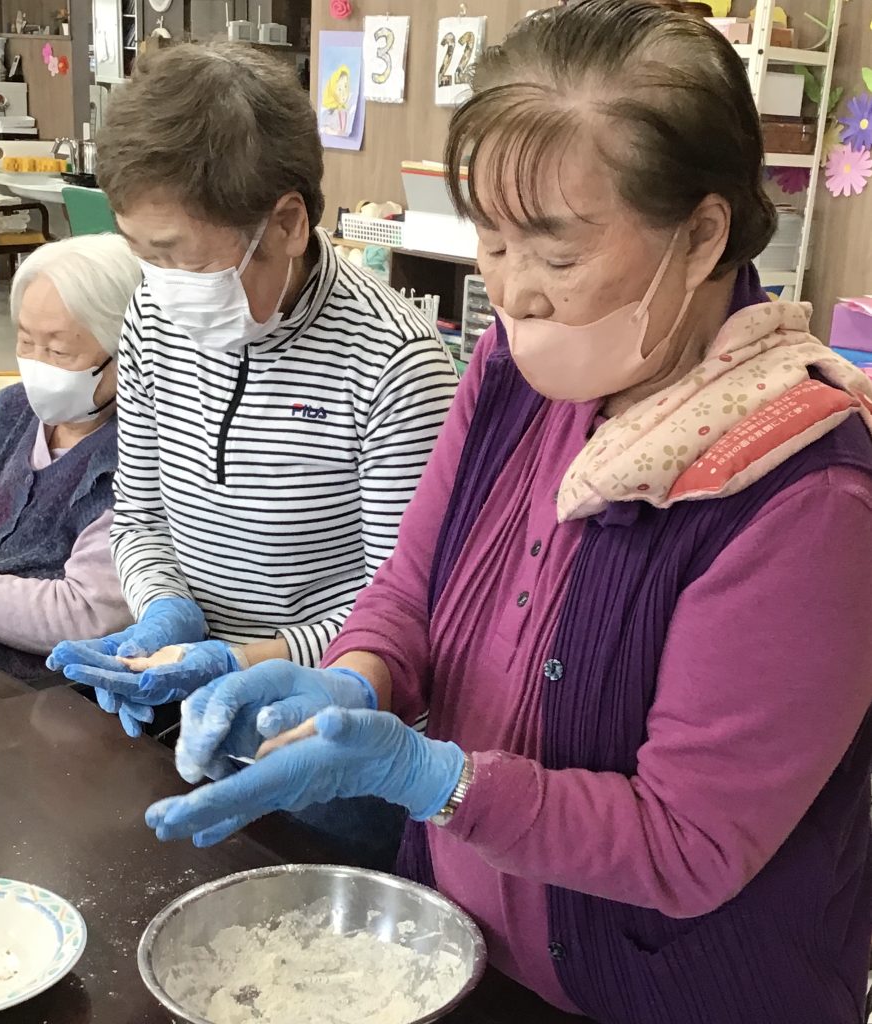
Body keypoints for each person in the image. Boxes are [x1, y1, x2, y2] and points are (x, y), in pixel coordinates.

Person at [144, 4, 872, 1023]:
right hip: (468, 943)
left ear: (703, 233)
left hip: (675, 990)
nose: (515, 293)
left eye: (557, 258)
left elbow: (688, 842)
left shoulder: (804, 494)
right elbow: (409, 589)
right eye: (490, 244)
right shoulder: (513, 372)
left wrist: (431, 776)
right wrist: (346, 685)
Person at [48, 43, 457, 864]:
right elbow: (142, 515)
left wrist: (243, 660)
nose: (158, 279)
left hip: (320, 744)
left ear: (287, 224)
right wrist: (165, 613)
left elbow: (403, 610)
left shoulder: (394, 364)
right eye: (142, 253)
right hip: (178, 714)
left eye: (177, 253)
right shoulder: (156, 320)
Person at [0, 235, 139, 683]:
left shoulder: (136, 454)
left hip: (50, 693)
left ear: (126, 352)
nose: (38, 365)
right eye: (26, 343)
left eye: (58, 351)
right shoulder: (14, 409)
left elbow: (84, 614)